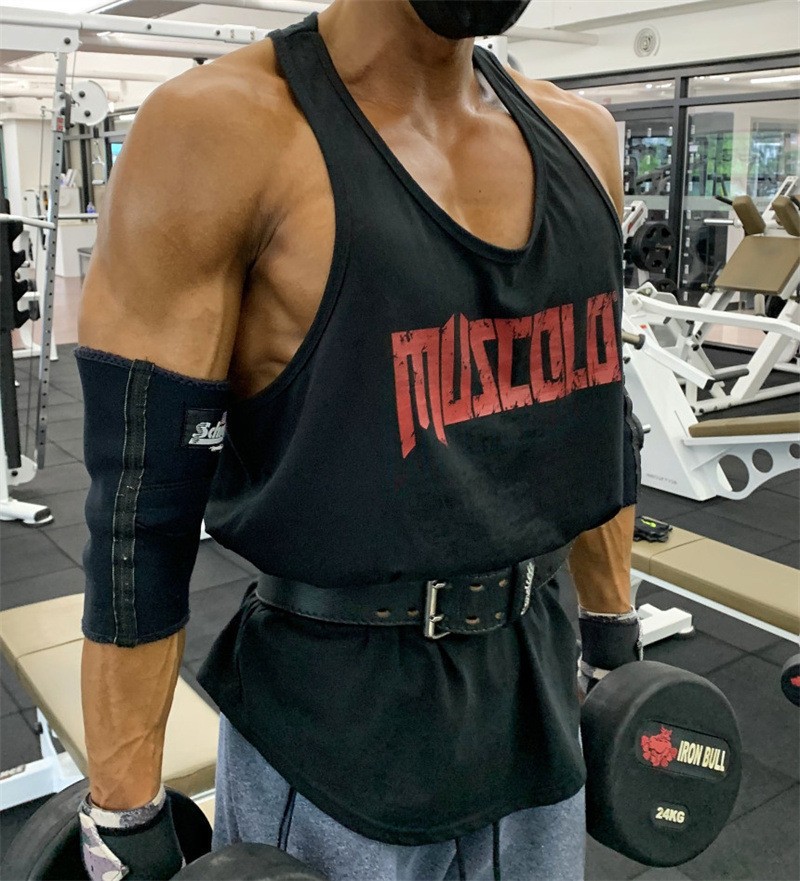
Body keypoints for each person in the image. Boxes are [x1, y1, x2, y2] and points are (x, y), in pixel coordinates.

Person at [76, 2, 643, 879]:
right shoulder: (223, 129)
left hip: (537, 703)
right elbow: (138, 511)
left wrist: (613, 645)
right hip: (334, 735)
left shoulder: (583, 137)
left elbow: (596, 424)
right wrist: (125, 816)